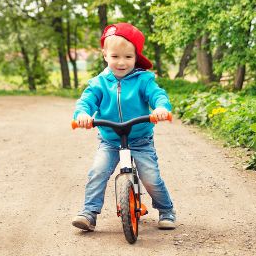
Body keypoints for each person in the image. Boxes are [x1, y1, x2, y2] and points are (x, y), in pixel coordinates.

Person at [71, 23, 177, 231]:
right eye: (115, 56)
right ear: (105, 55)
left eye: (128, 57)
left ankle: (166, 210)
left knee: (151, 177)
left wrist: (161, 108)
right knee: (98, 171)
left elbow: (157, 95)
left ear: (136, 57)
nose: (121, 62)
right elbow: (86, 101)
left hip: (139, 138)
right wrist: (82, 114)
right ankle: (89, 213)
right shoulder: (99, 83)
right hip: (110, 139)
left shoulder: (143, 79)